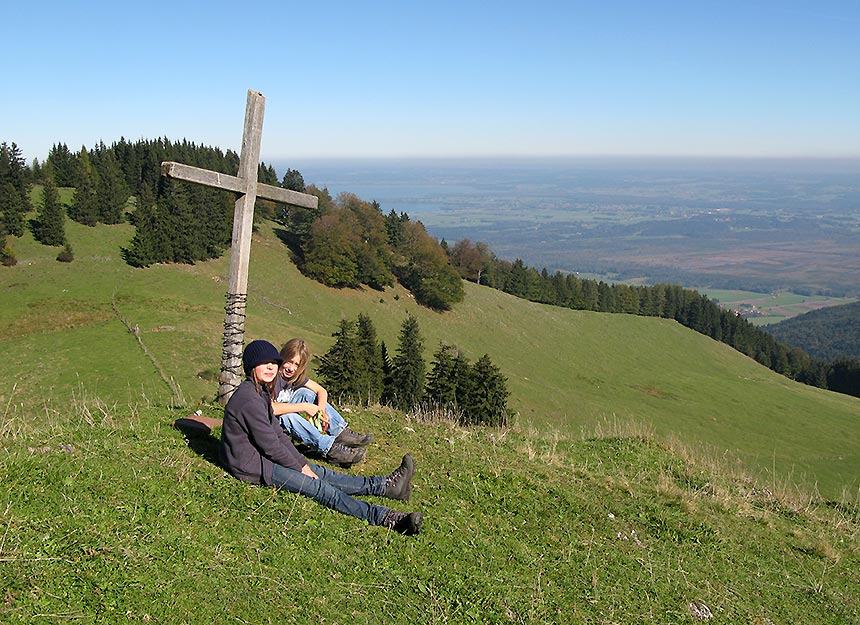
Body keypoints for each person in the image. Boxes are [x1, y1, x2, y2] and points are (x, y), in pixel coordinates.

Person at [219, 340, 422, 535]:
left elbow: (278, 434)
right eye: (264, 363)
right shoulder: (249, 400)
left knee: (323, 474)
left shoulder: (260, 391)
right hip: (253, 466)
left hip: (264, 457)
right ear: (252, 366)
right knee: (320, 488)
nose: (271, 367)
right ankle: (388, 518)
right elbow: (270, 445)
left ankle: (386, 485)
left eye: (273, 363)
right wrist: (300, 468)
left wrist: (301, 463)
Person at [272, 338, 374, 467]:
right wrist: (305, 407)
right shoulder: (273, 376)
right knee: (288, 416)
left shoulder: (294, 378)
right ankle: (332, 449)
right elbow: (272, 408)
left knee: (306, 393)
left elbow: (321, 391)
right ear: (283, 357)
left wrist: (320, 410)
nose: (291, 368)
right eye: (289, 362)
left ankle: (341, 434)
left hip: (284, 410)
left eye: (297, 364)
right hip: (272, 421)